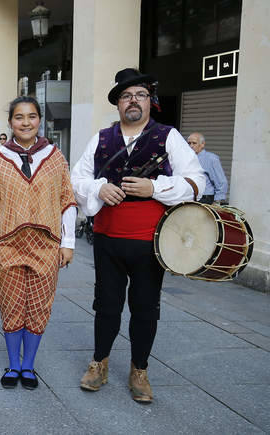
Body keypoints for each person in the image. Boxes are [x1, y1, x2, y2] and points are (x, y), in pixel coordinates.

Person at [71, 68, 205, 403]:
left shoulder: (168, 136)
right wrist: (99, 189)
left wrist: (155, 187)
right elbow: (75, 180)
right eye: (127, 96)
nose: (134, 101)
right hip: (107, 240)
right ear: (118, 103)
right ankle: (99, 362)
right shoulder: (101, 138)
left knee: (145, 309)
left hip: (151, 243)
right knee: (106, 306)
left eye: (140, 95)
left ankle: (139, 370)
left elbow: (197, 182)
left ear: (151, 101)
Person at [0, 96, 77, 390]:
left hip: (47, 243)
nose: (25, 122)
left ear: (40, 120)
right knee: (11, 305)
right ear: (10, 122)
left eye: (31, 116)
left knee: (39, 306)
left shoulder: (54, 157)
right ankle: (13, 364)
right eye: (19, 117)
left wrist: (69, 242)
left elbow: (67, 201)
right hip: (8, 243)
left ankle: (29, 366)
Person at [187, 132, 228, 205]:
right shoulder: (187, 159)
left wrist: (217, 201)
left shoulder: (211, 159)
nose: (191, 146)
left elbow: (221, 181)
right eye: (189, 143)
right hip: (190, 198)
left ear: (202, 144)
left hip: (205, 199)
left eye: (194, 143)